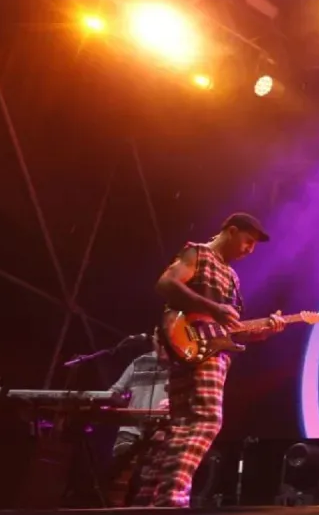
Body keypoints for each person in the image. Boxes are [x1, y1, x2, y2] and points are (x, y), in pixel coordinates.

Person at [139, 213, 284, 507]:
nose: (249, 250)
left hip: (205, 349)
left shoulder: (231, 277)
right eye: (247, 241)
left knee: (179, 424)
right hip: (191, 347)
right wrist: (212, 307)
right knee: (207, 419)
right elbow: (166, 285)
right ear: (230, 232)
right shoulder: (199, 253)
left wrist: (262, 331)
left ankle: (149, 497)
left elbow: (228, 330)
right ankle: (172, 499)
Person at [106, 335, 171, 506]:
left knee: (145, 480)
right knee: (117, 475)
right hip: (130, 429)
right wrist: (114, 401)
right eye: (158, 340)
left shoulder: (182, 365)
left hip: (161, 430)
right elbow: (115, 391)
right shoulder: (140, 362)